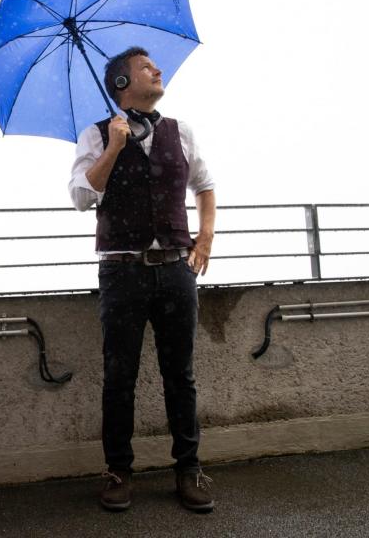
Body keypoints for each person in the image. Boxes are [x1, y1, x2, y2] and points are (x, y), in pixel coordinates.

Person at [68, 47, 217, 513]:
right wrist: (114, 145)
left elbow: (206, 186)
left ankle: (188, 468)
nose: (157, 69)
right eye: (146, 67)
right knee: (119, 376)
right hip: (122, 270)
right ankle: (118, 471)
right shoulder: (95, 134)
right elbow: (80, 197)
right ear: (121, 83)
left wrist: (205, 238)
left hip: (176, 269)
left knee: (181, 375)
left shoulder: (181, 131)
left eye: (156, 64)